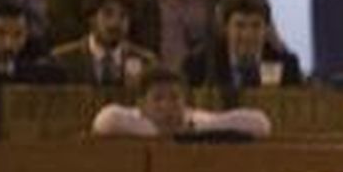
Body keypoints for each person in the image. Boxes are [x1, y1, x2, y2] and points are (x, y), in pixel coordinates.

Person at [91, 66, 270, 139]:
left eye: (175, 97)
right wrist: (164, 134)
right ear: (141, 104)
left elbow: (261, 123)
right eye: (158, 98)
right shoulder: (131, 118)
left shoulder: (195, 121)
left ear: (186, 101)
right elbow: (105, 121)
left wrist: (193, 133)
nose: (167, 106)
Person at [182, 0, 303, 92]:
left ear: (266, 29)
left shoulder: (286, 65)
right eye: (240, 25)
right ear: (225, 28)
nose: (248, 35)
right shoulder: (201, 65)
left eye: (256, 26)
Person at [50, 0, 154, 88]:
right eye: (108, 14)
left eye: (123, 16)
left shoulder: (146, 62)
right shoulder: (63, 60)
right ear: (92, 19)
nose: (115, 23)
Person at [0, 0, 59, 81]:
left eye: (18, 34)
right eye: (1, 33)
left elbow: (55, 73)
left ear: (27, 32)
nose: (9, 43)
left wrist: (6, 69)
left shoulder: (35, 47)